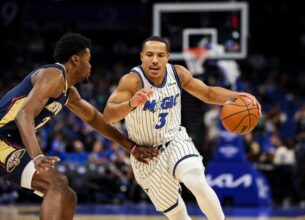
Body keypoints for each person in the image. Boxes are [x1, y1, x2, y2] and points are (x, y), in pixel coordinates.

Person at [0, 33, 159, 220]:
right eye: (88, 60)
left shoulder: (69, 92)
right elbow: (23, 115)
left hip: (13, 142)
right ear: (76, 60)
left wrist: (131, 147)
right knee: (57, 184)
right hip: (3, 139)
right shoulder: (54, 74)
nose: (91, 66)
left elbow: (96, 120)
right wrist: (37, 156)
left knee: (68, 196)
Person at [103, 36, 262, 220]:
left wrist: (240, 95)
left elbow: (208, 93)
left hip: (175, 141)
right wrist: (132, 103)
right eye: (150, 54)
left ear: (167, 57)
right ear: (141, 57)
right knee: (178, 214)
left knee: (197, 182)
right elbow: (108, 115)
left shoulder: (177, 73)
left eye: (160, 55)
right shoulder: (132, 81)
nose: (155, 59)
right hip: (146, 156)